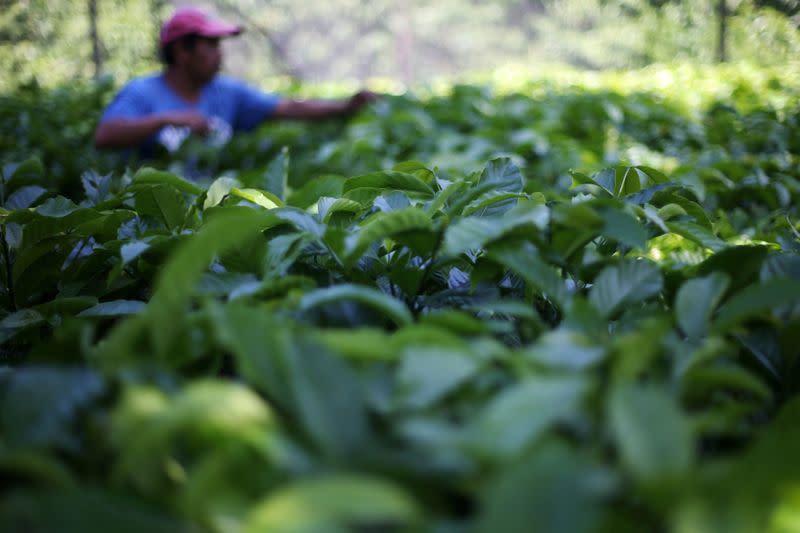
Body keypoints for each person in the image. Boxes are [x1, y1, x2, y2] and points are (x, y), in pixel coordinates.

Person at [94, 6, 376, 157]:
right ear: (182, 51)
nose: (220, 54)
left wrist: (344, 107)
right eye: (211, 45)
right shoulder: (142, 92)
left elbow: (288, 107)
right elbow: (105, 136)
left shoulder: (227, 92)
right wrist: (168, 119)